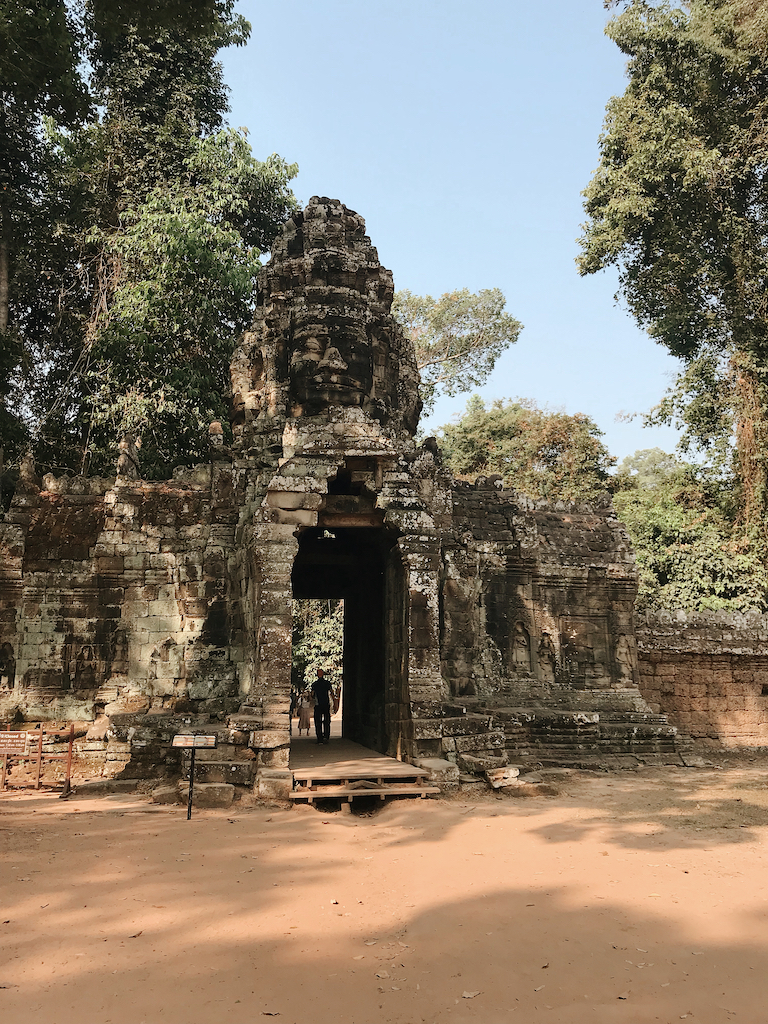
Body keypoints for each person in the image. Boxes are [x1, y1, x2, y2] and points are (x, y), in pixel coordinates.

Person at [311, 668, 333, 744]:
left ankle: (319, 738)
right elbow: (331, 692)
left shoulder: (314, 684)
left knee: (318, 721)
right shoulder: (327, 683)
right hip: (326, 704)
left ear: (317, 675)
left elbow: (312, 695)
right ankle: (326, 736)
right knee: (327, 721)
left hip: (318, 704)